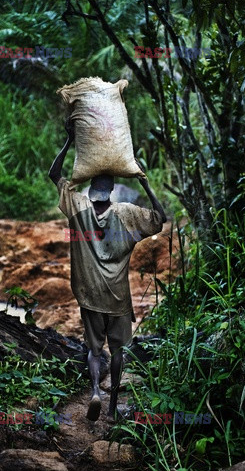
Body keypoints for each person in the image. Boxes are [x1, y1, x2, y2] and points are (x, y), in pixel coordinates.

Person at [49, 120, 166, 422]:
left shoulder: (77, 207)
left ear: (90, 191)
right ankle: (112, 407)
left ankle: (95, 393)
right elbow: (159, 219)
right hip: (117, 298)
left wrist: (69, 141)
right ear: (113, 190)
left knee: (93, 349)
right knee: (117, 352)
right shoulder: (126, 214)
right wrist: (144, 182)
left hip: (89, 296)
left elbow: (54, 175)